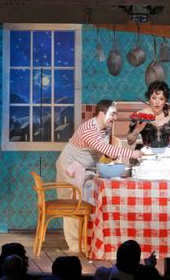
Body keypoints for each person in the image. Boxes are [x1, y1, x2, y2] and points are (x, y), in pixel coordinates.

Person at [55, 100, 142, 252]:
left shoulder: (105, 128)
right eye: (113, 114)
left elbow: (104, 150)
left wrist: (112, 155)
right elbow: (102, 147)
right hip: (70, 166)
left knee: (84, 202)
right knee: (73, 205)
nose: (115, 117)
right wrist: (131, 153)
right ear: (102, 114)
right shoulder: (89, 128)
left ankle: (86, 240)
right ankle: (75, 246)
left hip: (85, 168)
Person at [127, 81, 170, 148]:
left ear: (165, 100)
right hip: (146, 155)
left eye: (161, 99)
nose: (157, 102)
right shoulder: (140, 115)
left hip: (167, 154)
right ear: (149, 98)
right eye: (154, 98)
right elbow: (130, 142)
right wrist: (136, 131)